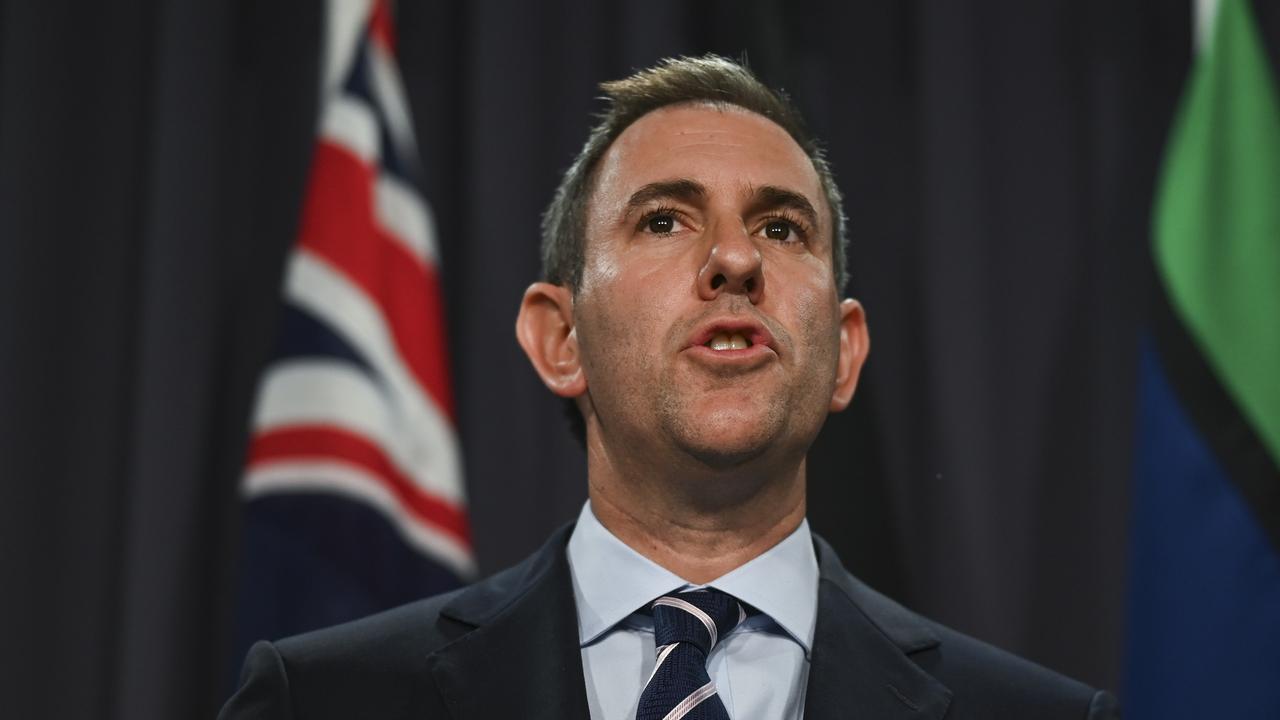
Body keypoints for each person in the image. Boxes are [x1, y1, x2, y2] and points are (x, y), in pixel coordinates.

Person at [220, 55, 1119, 720]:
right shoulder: (324, 702)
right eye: (663, 219)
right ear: (559, 337)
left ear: (844, 354)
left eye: (780, 227)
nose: (734, 259)